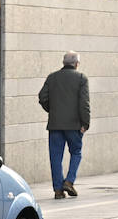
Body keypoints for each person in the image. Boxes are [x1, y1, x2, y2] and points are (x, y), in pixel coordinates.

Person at [38, 50, 89, 200]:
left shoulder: (52, 77)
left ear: (63, 63)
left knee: (55, 157)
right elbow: (84, 103)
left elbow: (42, 97)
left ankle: (58, 190)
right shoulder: (81, 78)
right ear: (77, 64)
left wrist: (52, 110)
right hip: (74, 125)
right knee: (76, 152)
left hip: (55, 124)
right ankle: (69, 181)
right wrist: (85, 123)